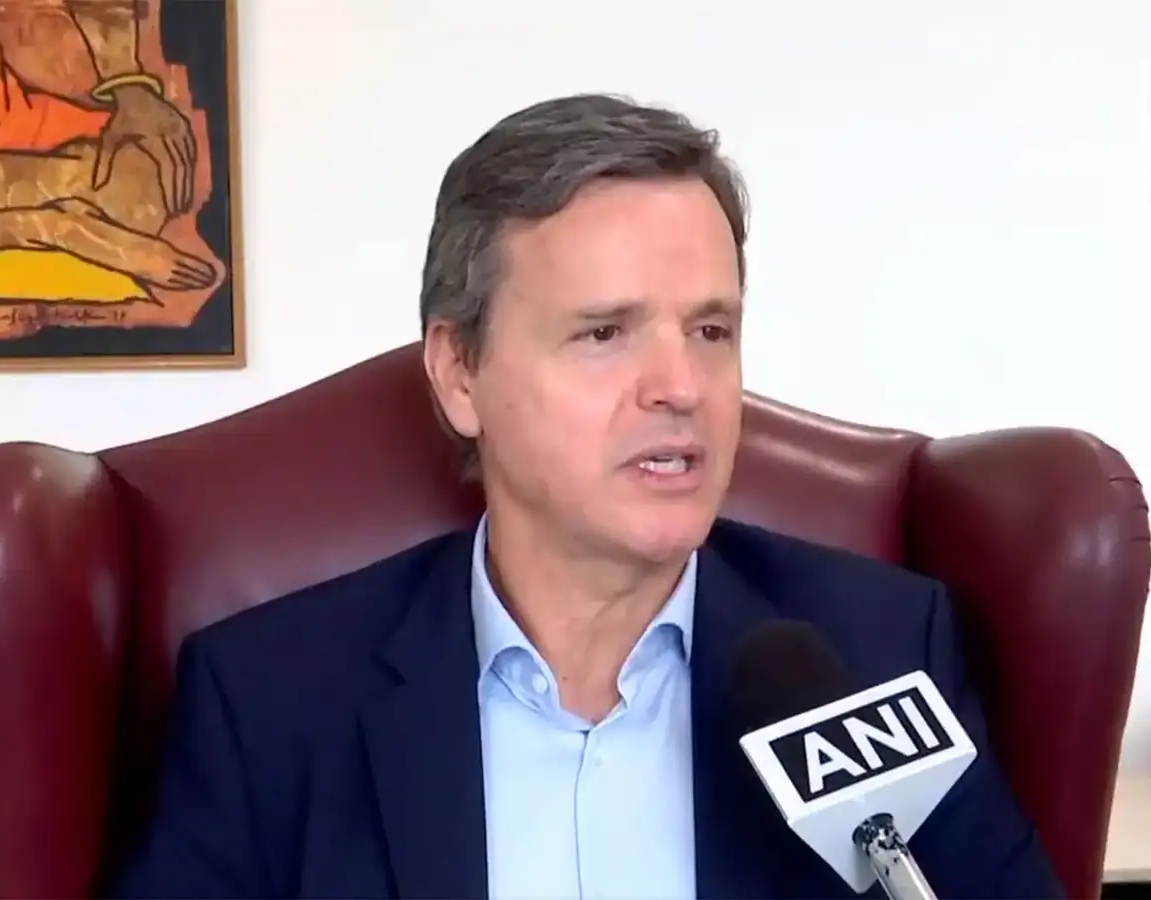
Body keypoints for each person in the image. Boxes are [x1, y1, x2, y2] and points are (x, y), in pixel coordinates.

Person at [110, 94, 1065, 899]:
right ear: (459, 374)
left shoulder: (876, 659)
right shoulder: (271, 702)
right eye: (604, 333)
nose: (680, 387)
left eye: (711, 331)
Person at [0, 0, 215, 292]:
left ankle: (59, 211)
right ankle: (54, 222)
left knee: (141, 187)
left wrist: (130, 89)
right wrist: (53, 228)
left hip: (0, 119)